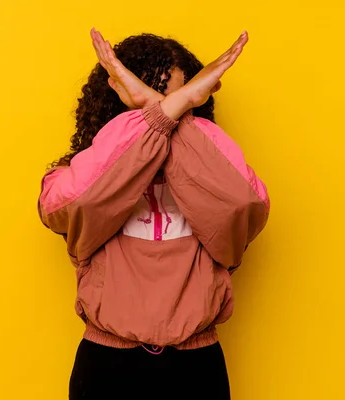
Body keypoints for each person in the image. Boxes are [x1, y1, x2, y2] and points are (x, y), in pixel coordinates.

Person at [37, 28, 270, 400]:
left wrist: (160, 111)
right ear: (116, 101)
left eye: (179, 99)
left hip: (197, 366)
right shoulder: (74, 173)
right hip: (107, 366)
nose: (166, 107)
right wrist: (165, 111)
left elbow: (244, 208)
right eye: (149, 97)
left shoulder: (215, 168)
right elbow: (77, 204)